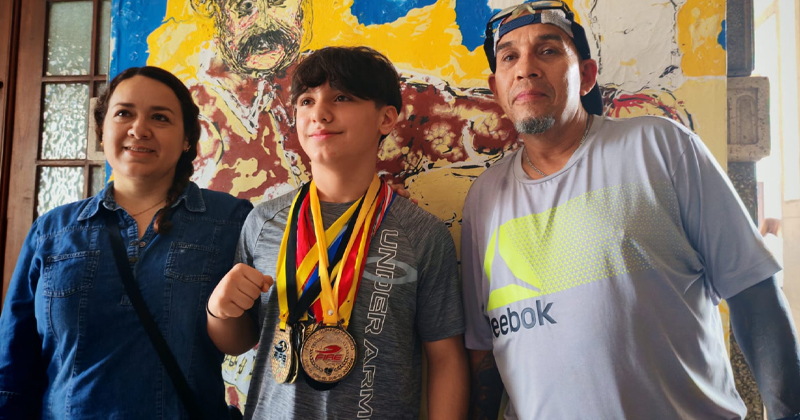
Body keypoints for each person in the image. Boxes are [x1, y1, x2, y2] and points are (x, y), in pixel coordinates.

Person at [461, 1, 800, 419]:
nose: (525, 68)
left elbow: (752, 288)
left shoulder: (659, 148)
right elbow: (486, 353)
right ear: (496, 89)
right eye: (509, 57)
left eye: (547, 51)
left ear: (586, 75)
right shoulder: (484, 200)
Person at [206, 46, 469, 419]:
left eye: (341, 97)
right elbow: (239, 342)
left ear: (386, 118)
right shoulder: (262, 222)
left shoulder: (421, 234)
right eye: (306, 101)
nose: (319, 113)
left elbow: (445, 359)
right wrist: (218, 311)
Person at [0, 66, 253, 418]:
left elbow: (251, 335)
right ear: (101, 131)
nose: (139, 129)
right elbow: (13, 363)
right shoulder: (52, 231)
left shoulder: (231, 220)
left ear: (187, 139)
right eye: (123, 114)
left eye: (160, 117)